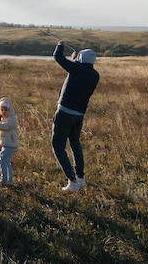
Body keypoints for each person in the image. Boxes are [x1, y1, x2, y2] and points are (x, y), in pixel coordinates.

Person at [52, 41, 100, 192]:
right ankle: (80, 178)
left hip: (65, 112)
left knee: (58, 146)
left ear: (80, 59)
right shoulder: (94, 75)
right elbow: (79, 70)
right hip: (79, 116)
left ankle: (72, 181)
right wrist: (76, 60)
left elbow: (57, 56)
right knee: (75, 144)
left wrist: (60, 45)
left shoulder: (76, 69)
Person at [0, 97, 19, 187]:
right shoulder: (4, 119)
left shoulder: (12, 119)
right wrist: (1, 143)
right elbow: (2, 134)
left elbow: (6, 127)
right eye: (2, 110)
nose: (4, 112)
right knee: (6, 162)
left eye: (6, 110)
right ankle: (9, 180)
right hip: (7, 144)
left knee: (2, 161)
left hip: (11, 144)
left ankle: (4, 179)